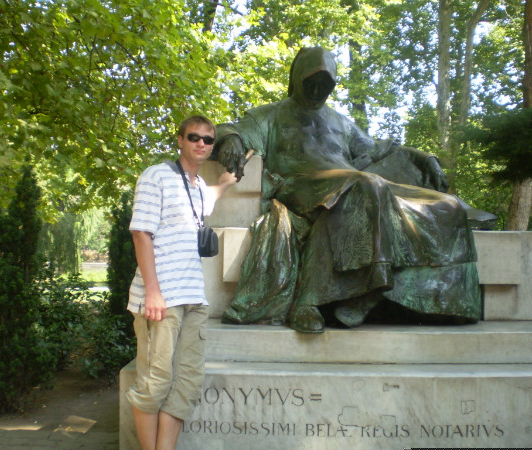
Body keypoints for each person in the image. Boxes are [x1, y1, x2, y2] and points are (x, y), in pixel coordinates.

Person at [213, 47, 483, 334]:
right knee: (366, 184)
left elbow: (379, 148)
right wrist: (231, 139)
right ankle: (325, 297)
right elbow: (228, 128)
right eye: (310, 82)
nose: (316, 90)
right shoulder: (270, 115)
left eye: (325, 84)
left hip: (351, 183)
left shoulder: (340, 122)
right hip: (299, 185)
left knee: (447, 204)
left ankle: (449, 303)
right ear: (296, 78)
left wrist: (424, 158)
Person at [126, 115, 237, 450]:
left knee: (185, 386)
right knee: (155, 384)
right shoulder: (156, 176)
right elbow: (141, 234)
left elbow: (210, 196)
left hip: (194, 300)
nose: (201, 144)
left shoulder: (198, 187)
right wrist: (153, 293)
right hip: (162, 299)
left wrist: (226, 182)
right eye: (194, 137)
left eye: (208, 140)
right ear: (180, 140)